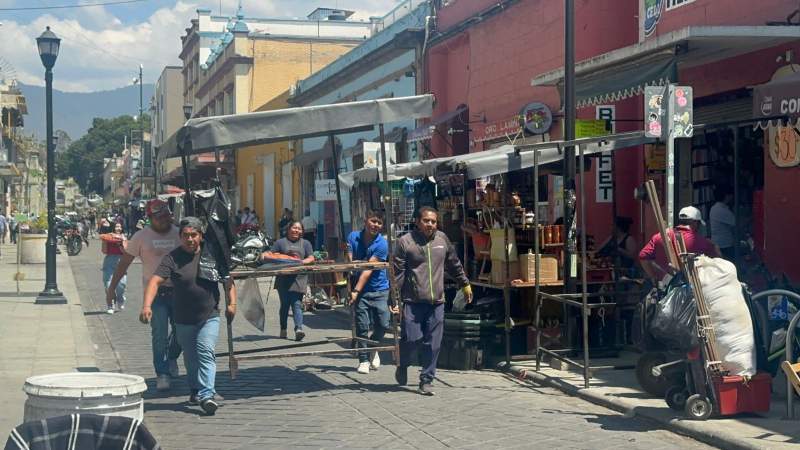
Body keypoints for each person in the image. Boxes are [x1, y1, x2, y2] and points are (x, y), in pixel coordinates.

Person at [143, 217, 236, 416]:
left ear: (201, 236)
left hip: (209, 315)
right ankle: (195, 390)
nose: (190, 239)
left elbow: (228, 280)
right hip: (183, 318)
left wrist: (232, 304)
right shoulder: (172, 258)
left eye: (194, 235)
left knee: (205, 351)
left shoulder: (212, 255)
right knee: (191, 358)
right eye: (185, 235)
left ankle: (207, 394)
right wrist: (147, 306)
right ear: (180, 237)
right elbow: (155, 281)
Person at [393, 207, 473, 395]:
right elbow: (397, 274)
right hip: (412, 301)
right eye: (426, 221)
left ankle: (426, 380)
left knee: (434, 343)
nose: (430, 224)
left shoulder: (442, 239)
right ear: (417, 222)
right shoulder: (405, 242)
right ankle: (403, 363)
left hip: (437, 301)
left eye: (434, 221)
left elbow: (454, 263)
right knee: (412, 339)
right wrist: (394, 299)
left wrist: (465, 284)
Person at [106, 199, 182, 391]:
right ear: (149, 218)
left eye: (166, 215)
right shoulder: (141, 237)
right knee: (159, 335)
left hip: (180, 291)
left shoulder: (179, 233)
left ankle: (172, 357)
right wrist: (112, 288)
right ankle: (162, 373)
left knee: (182, 333)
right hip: (155, 293)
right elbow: (124, 263)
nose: (163, 220)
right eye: (158, 217)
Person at [347, 211, 391, 375]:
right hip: (361, 291)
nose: (375, 225)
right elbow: (349, 259)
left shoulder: (382, 244)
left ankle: (373, 346)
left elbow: (368, 269)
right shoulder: (353, 236)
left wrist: (355, 290)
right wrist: (349, 261)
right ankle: (364, 360)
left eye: (379, 223)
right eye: (373, 221)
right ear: (365, 221)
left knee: (384, 324)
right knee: (362, 326)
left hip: (379, 289)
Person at [639, 206, 720, 284]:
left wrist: (653, 277)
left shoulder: (660, 237)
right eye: (699, 223)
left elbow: (643, 257)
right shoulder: (703, 242)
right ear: (695, 222)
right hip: (692, 288)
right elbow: (719, 263)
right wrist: (715, 247)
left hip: (666, 287)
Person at [264, 221, 314, 341]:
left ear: (302, 231)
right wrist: (266, 255)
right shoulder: (280, 243)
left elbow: (311, 257)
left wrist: (301, 262)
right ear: (289, 229)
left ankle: (298, 329)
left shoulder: (306, 243)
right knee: (285, 305)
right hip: (283, 279)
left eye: (299, 229)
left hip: (299, 278)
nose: (296, 230)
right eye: (294, 228)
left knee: (297, 304)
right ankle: (283, 329)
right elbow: (271, 254)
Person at [100, 223, 128, 314]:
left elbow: (126, 252)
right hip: (109, 261)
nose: (118, 228)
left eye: (120, 226)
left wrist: (120, 244)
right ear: (113, 228)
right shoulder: (108, 236)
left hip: (121, 261)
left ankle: (120, 298)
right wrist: (105, 241)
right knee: (108, 285)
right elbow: (104, 251)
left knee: (121, 285)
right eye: (116, 226)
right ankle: (110, 305)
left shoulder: (124, 237)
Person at [710, 187, 736, 261]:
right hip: (724, 244)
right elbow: (736, 222)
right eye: (730, 195)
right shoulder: (722, 210)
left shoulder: (714, 208)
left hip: (719, 242)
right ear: (726, 196)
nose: (732, 197)